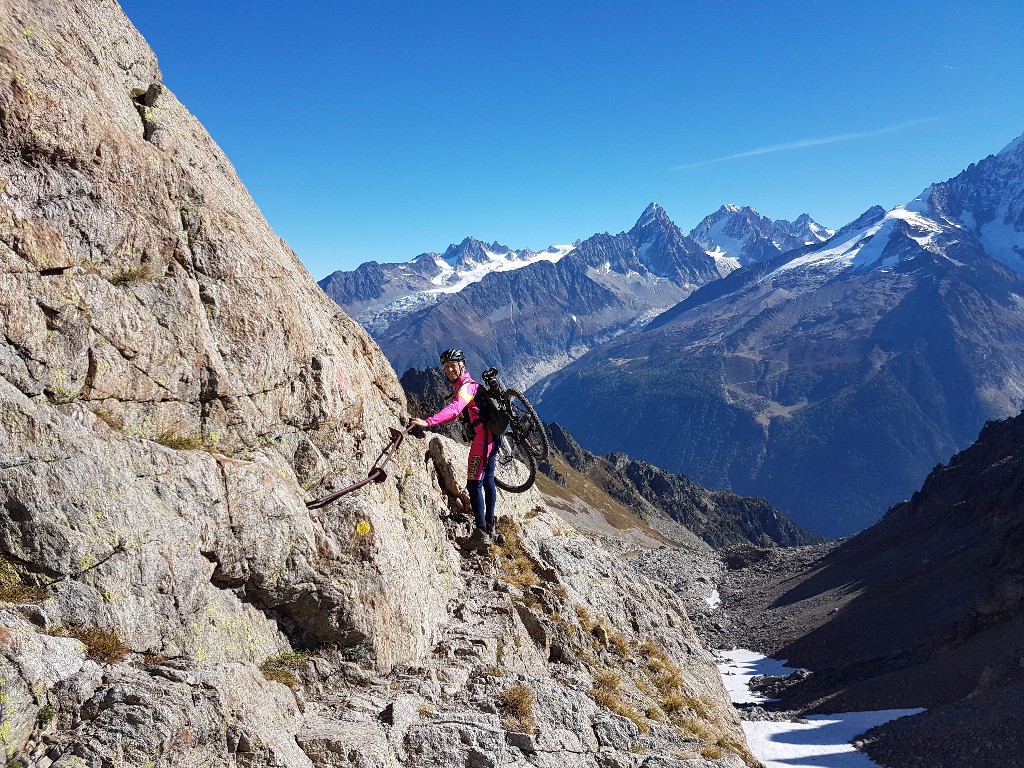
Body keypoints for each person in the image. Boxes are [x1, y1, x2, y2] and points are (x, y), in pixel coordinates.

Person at [410, 349, 497, 536]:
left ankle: (481, 533)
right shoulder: (469, 385)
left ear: (462, 365)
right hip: (493, 438)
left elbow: (455, 409)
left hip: (483, 441)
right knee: (488, 480)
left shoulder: (466, 387)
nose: (449, 370)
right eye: (446, 367)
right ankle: (491, 526)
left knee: (474, 484)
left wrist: (428, 422)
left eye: (452, 365)